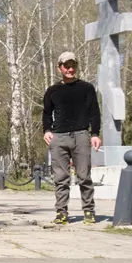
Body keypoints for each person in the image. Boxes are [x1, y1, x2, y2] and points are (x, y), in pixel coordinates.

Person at [42, 51, 102, 225]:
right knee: (60, 178)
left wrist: (95, 134)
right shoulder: (52, 91)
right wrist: (47, 130)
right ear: (59, 68)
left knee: (84, 176)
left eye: (73, 65)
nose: (70, 69)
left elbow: (94, 112)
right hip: (59, 138)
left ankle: (89, 211)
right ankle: (61, 213)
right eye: (66, 66)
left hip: (81, 136)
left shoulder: (86, 88)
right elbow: (46, 113)